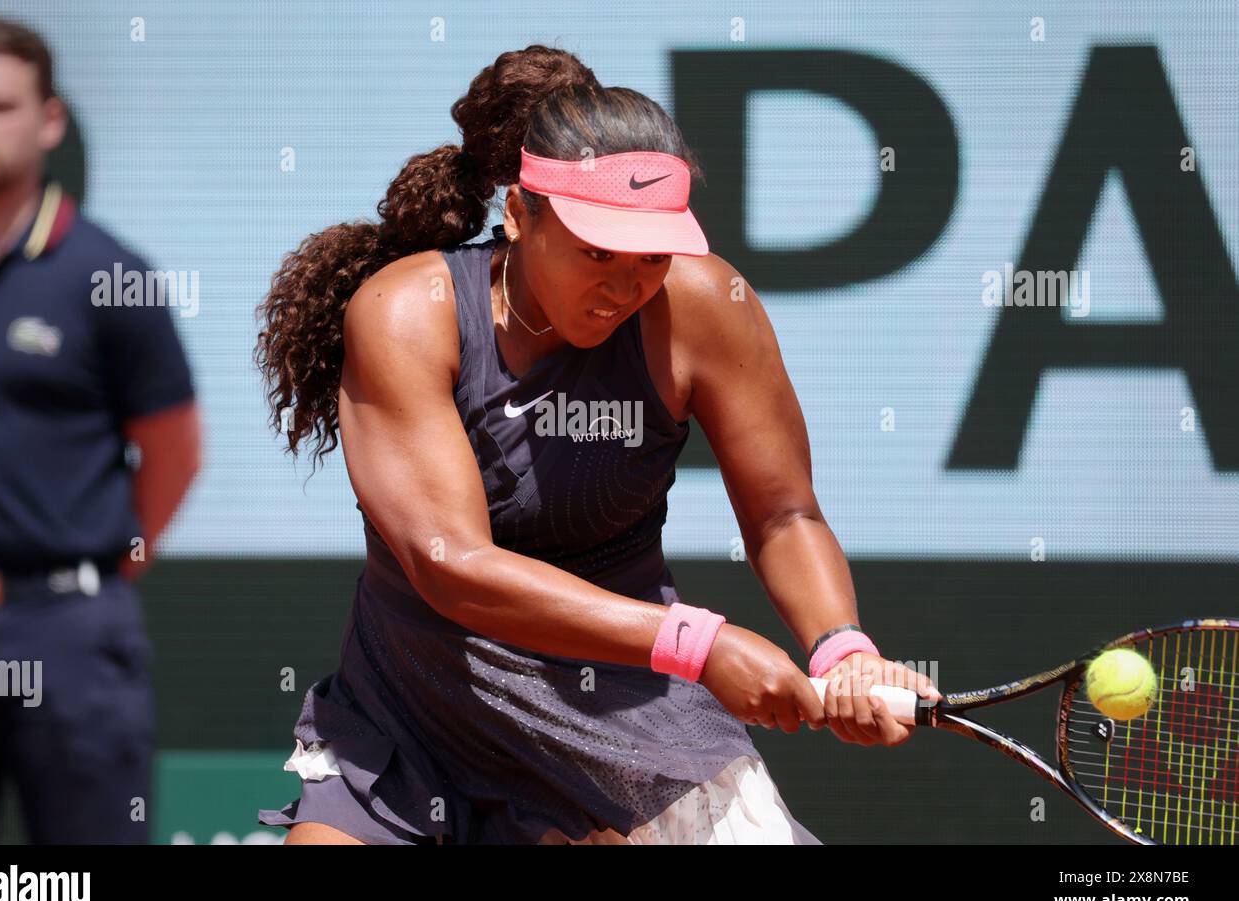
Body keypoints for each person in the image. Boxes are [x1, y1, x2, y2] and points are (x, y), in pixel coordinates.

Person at [256, 45, 939, 845]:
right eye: (595, 251)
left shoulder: (704, 306)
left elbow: (784, 514)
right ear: (519, 213)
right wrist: (699, 642)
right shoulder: (408, 312)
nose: (624, 283)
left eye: (651, 256)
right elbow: (454, 566)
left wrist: (841, 649)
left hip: (622, 712)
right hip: (415, 713)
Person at [0, 17, 201, 844]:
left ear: (49, 120)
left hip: (71, 634)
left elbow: (173, 450)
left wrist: (108, 568)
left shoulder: (109, 275)